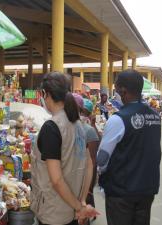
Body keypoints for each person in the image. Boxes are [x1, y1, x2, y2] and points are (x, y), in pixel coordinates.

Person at [31, 72, 99, 225]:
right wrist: (81, 201)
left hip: (54, 213)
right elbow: (89, 165)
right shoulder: (79, 125)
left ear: (45, 94)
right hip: (72, 210)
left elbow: (56, 179)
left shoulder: (52, 127)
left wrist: (79, 207)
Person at [97, 69, 161, 225]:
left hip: (122, 192)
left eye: (116, 90)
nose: (115, 94)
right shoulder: (155, 116)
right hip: (147, 188)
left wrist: (102, 178)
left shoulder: (118, 119)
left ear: (123, 91)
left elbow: (102, 158)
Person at [73, 94, 100, 224]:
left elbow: (92, 162)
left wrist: (89, 188)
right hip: (72, 182)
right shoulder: (62, 128)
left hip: (82, 181)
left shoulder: (88, 130)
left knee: (81, 216)